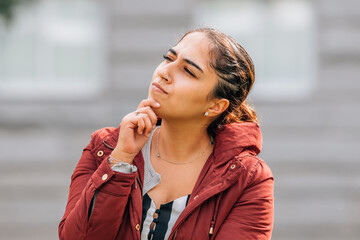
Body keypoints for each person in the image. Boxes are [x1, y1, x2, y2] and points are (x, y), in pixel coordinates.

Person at [59, 28, 274, 240]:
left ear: (216, 105)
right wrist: (121, 159)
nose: (164, 72)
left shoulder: (247, 179)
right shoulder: (104, 147)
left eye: (188, 71)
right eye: (169, 58)